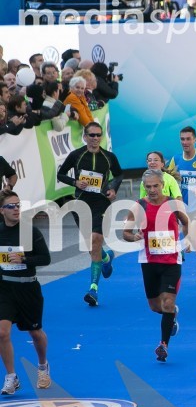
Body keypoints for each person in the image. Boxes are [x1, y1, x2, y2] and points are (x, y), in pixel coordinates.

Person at [123, 169, 188, 362]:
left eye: (155, 186)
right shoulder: (139, 206)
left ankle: (163, 345)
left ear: (162, 185)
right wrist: (133, 236)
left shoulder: (172, 204)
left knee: (167, 302)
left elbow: (186, 223)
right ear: (144, 187)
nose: (152, 190)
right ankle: (172, 315)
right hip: (149, 261)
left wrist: (188, 241)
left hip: (171, 261)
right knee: (155, 306)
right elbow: (125, 232)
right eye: (148, 186)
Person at [56, 122, 122, 307]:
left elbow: (118, 175)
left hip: (101, 203)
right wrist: (75, 183)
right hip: (81, 203)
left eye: (98, 135)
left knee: (94, 240)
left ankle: (93, 289)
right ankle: (106, 258)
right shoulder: (76, 155)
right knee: (91, 245)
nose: (95, 138)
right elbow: (60, 175)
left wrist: (112, 189)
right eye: (91, 135)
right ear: (85, 136)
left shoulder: (108, 157)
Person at [0, 191, 51, 394]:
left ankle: (42, 367)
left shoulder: (30, 232)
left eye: (18, 205)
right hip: (4, 289)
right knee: (2, 332)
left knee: (35, 332)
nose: (16, 209)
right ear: (1, 210)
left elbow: (45, 259)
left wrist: (24, 260)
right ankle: (11, 377)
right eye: (11, 206)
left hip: (28, 287)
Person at [168, 127, 196, 285]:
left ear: (195, 140)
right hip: (185, 205)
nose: (185, 142)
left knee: (193, 234)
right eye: (182, 139)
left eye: (188, 139)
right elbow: (168, 177)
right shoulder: (176, 159)